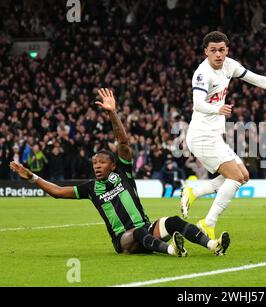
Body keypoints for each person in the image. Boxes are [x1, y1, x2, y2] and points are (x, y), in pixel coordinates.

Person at [10, 88, 230, 257]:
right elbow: (57, 191)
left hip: (148, 229)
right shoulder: (90, 188)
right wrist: (32, 177)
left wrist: (113, 113)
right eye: (94, 163)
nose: (96, 166)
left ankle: (213, 245)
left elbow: (123, 141)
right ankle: (173, 251)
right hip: (124, 241)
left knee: (172, 221)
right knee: (137, 232)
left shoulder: (124, 173)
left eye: (101, 162)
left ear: (113, 165)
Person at [180, 31, 266, 239]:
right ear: (206, 52)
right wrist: (217, 109)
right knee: (236, 178)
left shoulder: (230, 65)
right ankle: (208, 223)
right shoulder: (203, 73)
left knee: (244, 176)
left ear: (227, 50)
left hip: (213, 135)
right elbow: (197, 103)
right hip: (201, 136)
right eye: (213, 50)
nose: (218, 55)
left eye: (221, 50)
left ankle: (193, 192)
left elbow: (256, 79)